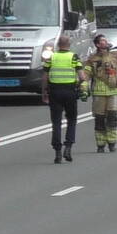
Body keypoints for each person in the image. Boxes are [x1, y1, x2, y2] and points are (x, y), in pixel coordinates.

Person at [42, 35, 87, 164]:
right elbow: (82, 76)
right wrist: (79, 86)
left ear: (58, 45)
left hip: (54, 92)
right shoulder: (73, 57)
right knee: (72, 120)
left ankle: (57, 152)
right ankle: (68, 147)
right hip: (70, 91)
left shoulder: (51, 57)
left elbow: (45, 77)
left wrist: (44, 92)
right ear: (69, 44)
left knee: (56, 122)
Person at [84, 34, 117, 152]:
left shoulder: (115, 56)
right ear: (97, 44)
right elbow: (86, 74)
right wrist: (83, 85)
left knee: (112, 118)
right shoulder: (92, 59)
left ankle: (112, 143)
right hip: (99, 93)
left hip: (114, 92)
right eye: (102, 40)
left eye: (105, 40)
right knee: (100, 119)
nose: (105, 42)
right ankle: (100, 145)